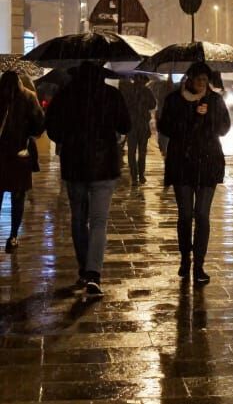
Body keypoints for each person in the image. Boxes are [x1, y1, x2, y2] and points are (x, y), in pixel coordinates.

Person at [45, 61, 131, 296]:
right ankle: (94, 273)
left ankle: (84, 268)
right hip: (104, 165)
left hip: (75, 165)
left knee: (78, 218)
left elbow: (52, 128)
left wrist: (71, 137)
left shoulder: (65, 95)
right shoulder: (111, 95)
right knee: (99, 221)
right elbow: (126, 125)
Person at [157, 62, 231, 286]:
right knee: (186, 215)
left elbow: (224, 128)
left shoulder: (215, 101)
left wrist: (208, 116)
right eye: (198, 79)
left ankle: (199, 264)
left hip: (208, 162)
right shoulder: (174, 100)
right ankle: (185, 259)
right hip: (182, 162)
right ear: (189, 79)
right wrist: (191, 116)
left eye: (205, 80)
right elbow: (165, 127)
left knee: (202, 215)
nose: (202, 83)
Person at [0, 71, 45, 253]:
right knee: (18, 198)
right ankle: (13, 236)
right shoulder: (28, 97)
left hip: (0, 156)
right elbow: (39, 125)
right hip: (20, 155)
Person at [120, 74, 157, 187]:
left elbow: (125, 106)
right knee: (140, 152)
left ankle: (136, 176)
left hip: (134, 125)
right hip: (140, 125)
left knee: (133, 152)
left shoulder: (129, 91)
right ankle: (139, 175)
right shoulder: (146, 91)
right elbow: (152, 105)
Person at [151, 73, 177, 157]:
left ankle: (165, 150)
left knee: (165, 135)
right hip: (166, 116)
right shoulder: (173, 91)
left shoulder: (163, 90)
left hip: (166, 116)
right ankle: (165, 150)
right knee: (164, 135)